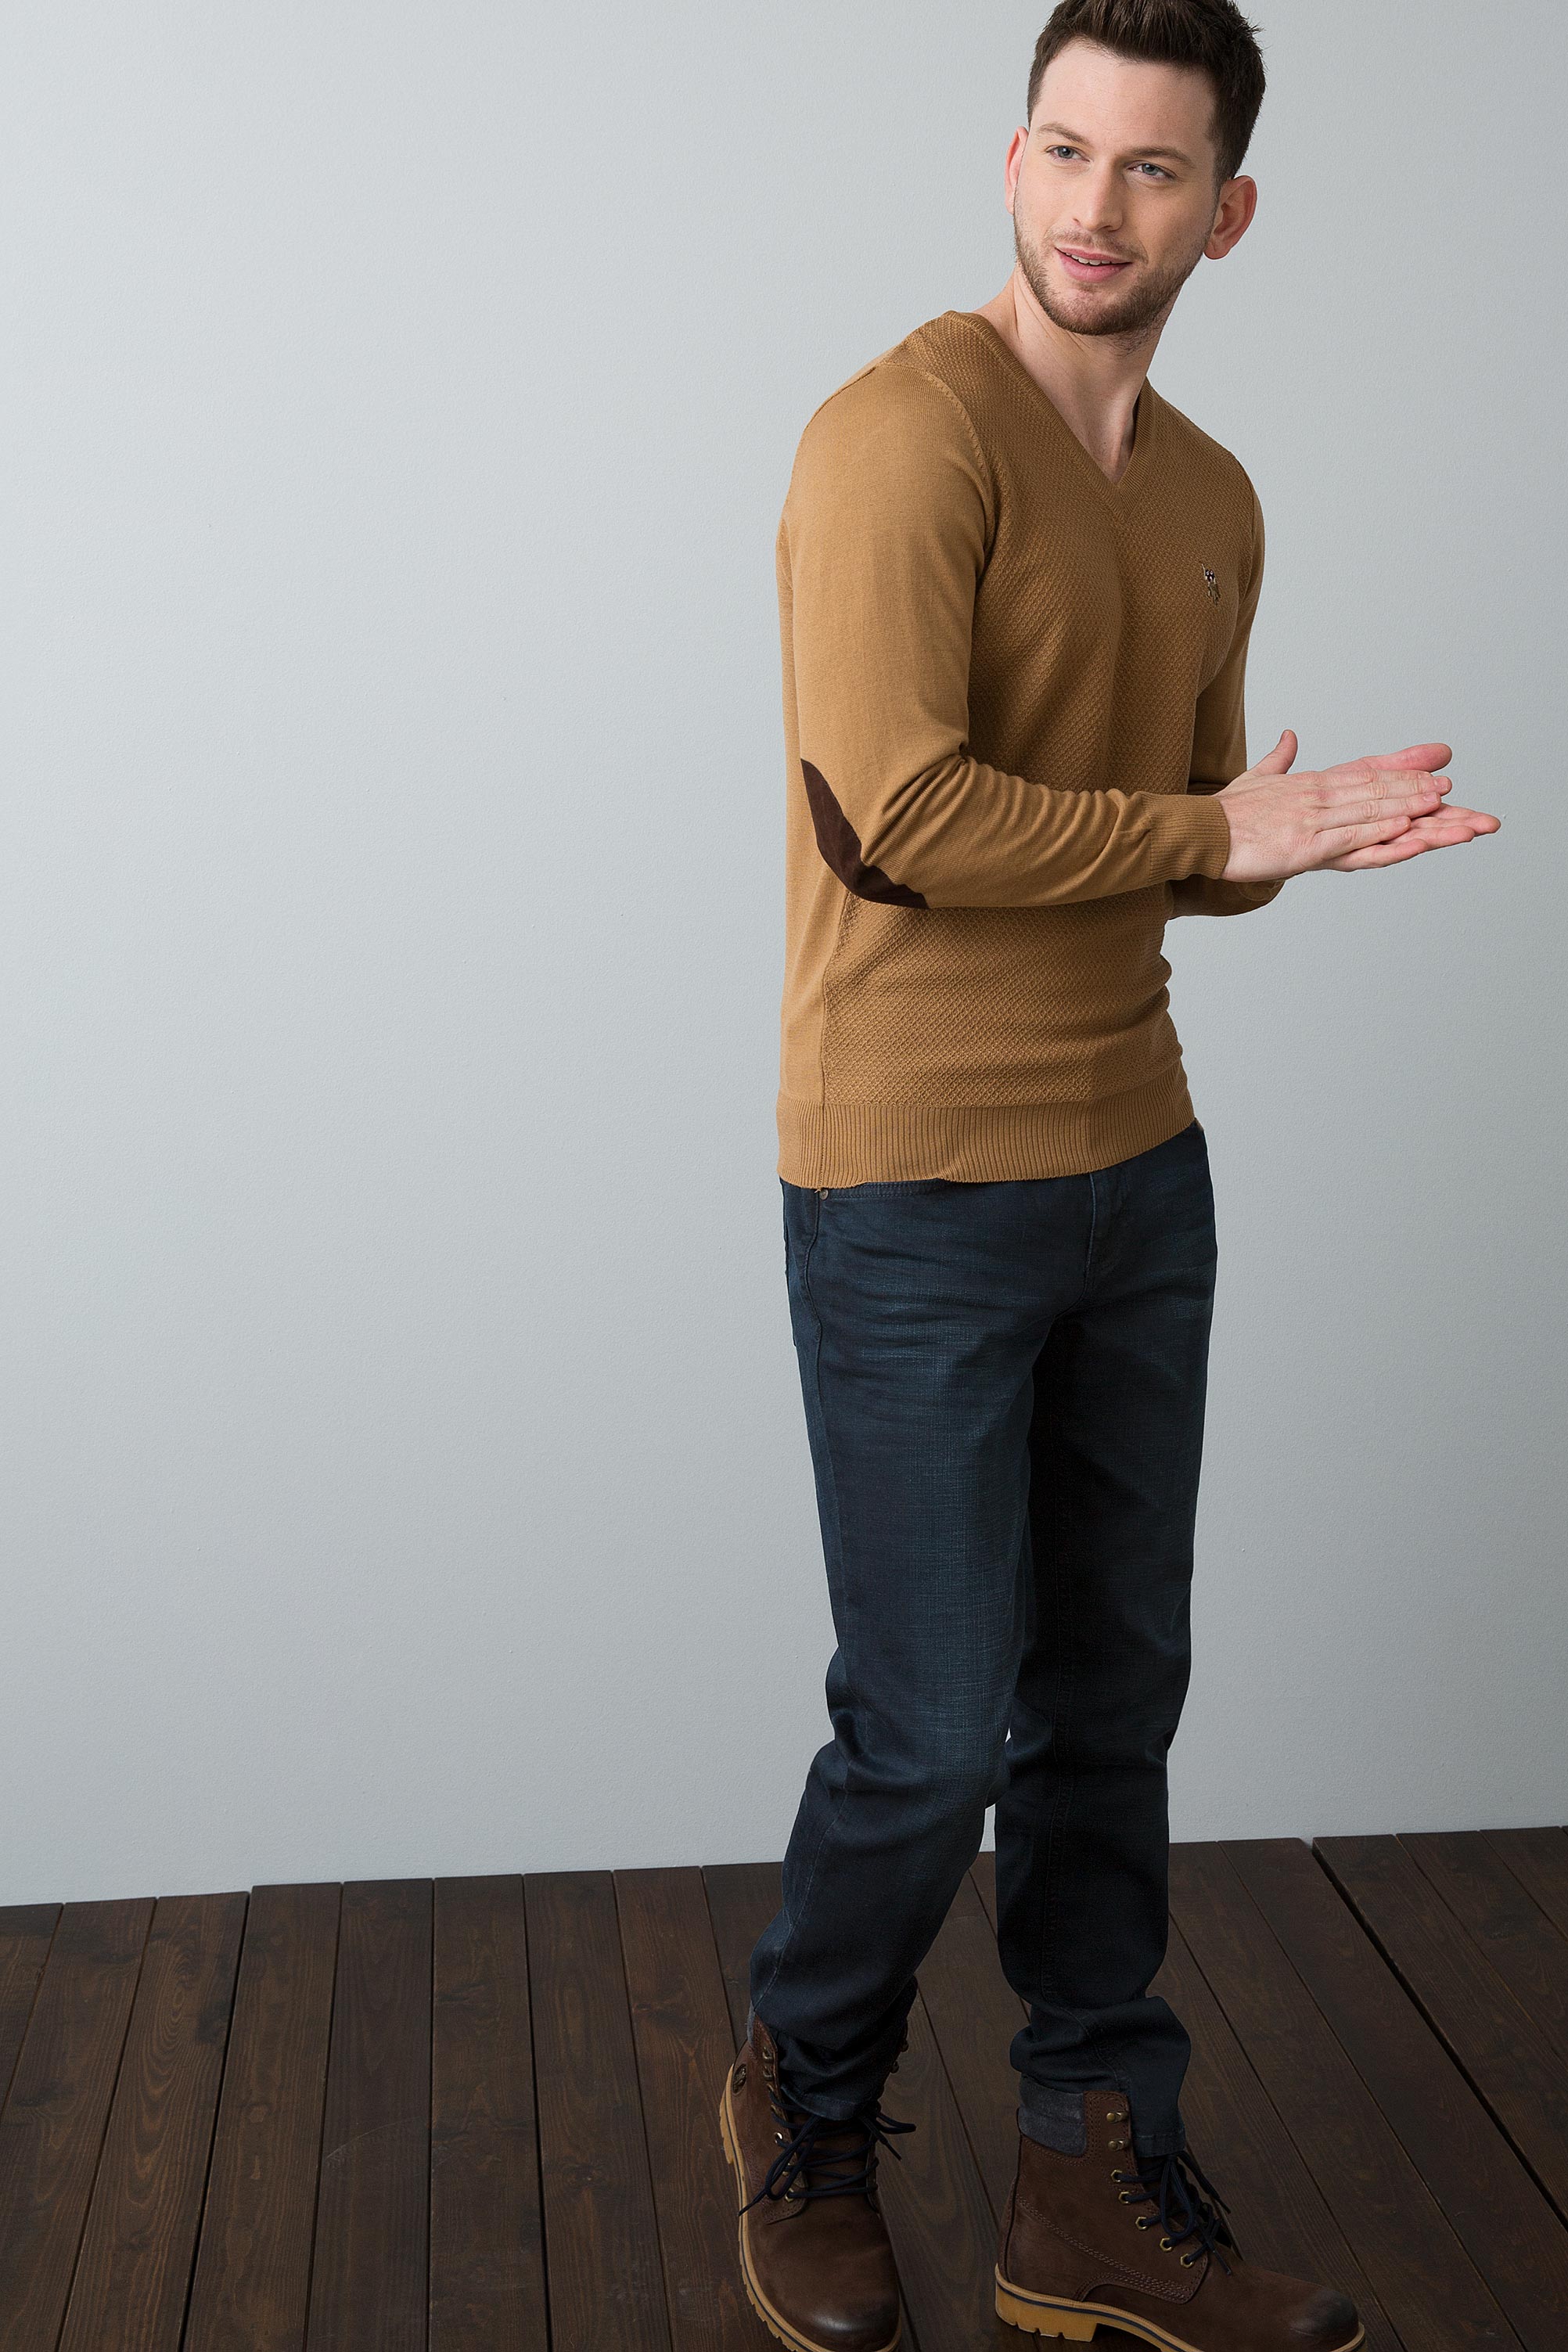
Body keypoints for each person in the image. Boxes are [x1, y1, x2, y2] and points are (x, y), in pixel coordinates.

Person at [715, 5, 1498, 2349]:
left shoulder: (1213, 495)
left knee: (1107, 1706)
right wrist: (1214, 828)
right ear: (1010, 160)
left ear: (1223, 214)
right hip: (913, 1180)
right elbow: (899, 817)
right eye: (1063, 151)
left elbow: (1165, 853)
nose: (1095, 205)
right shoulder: (899, 437)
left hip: (1137, 1166)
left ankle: (1086, 2174)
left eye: (1151, 169)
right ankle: (804, 2096)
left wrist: (1278, 843)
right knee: (930, 1730)